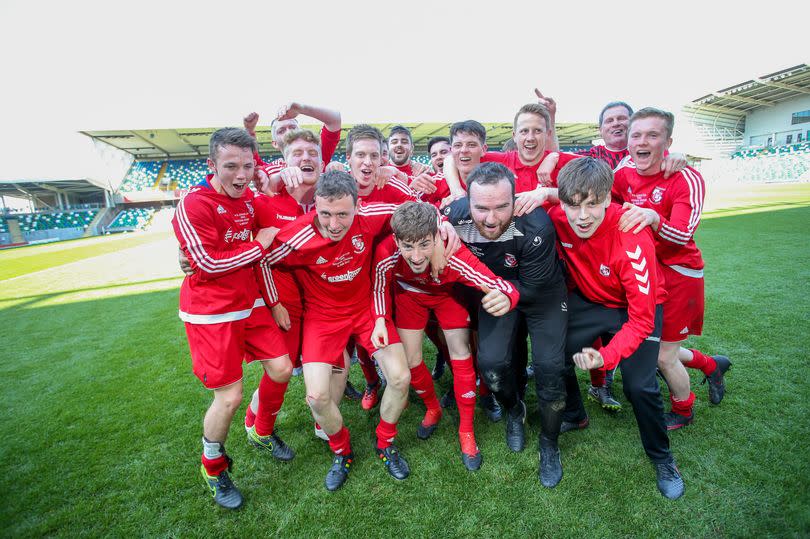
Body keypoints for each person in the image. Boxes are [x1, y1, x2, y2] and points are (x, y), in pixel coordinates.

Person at [258, 171, 455, 491]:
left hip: (367, 311)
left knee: (400, 377)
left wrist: (439, 231)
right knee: (317, 396)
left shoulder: (374, 214)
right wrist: (275, 301)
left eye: (342, 215)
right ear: (315, 206)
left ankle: (385, 442)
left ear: (358, 206)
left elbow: (420, 210)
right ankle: (342, 451)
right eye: (325, 214)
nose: (333, 224)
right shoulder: (297, 235)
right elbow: (264, 260)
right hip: (322, 319)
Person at [549, 156, 685, 499]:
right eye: (573, 205)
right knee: (554, 353)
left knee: (639, 387)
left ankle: (662, 457)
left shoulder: (631, 237)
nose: (582, 216)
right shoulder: (557, 216)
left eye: (593, 205)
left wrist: (605, 357)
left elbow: (641, 320)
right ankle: (577, 413)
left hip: (637, 309)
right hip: (593, 301)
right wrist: (541, 194)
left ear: (609, 199)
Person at [172, 127, 293, 509]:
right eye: (230, 166)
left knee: (282, 368)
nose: (241, 175)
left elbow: (264, 256)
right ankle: (213, 466)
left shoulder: (248, 200)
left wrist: (272, 301)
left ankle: (260, 431)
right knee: (229, 397)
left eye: (247, 165)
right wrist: (258, 244)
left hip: (251, 304)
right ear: (211, 165)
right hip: (211, 313)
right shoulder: (195, 203)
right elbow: (205, 264)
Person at [444, 162, 568, 488]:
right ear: (466, 202)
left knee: (550, 368)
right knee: (492, 364)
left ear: (515, 200)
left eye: (502, 207)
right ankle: (515, 410)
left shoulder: (535, 225)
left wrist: (508, 293)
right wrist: (436, 225)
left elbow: (536, 286)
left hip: (540, 294)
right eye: (481, 208)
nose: (491, 218)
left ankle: (549, 443)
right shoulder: (454, 218)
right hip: (497, 290)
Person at [372, 201, 520, 470]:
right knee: (411, 358)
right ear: (396, 241)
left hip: (446, 296)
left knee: (460, 351)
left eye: (424, 245)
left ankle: (466, 431)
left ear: (437, 236)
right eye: (407, 246)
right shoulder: (386, 252)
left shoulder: (454, 254)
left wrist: (510, 296)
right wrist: (380, 319)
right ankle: (433, 408)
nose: (416, 256)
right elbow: (379, 285)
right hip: (409, 297)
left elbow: (494, 283)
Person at [612, 108, 730, 430]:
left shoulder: (686, 177)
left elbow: (682, 235)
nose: (642, 141)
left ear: (668, 141)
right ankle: (710, 365)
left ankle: (683, 409)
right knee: (658, 347)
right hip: (645, 273)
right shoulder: (623, 172)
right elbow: (602, 201)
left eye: (653, 135)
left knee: (663, 355)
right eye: (636, 135)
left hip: (680, 275)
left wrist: (653, 217)